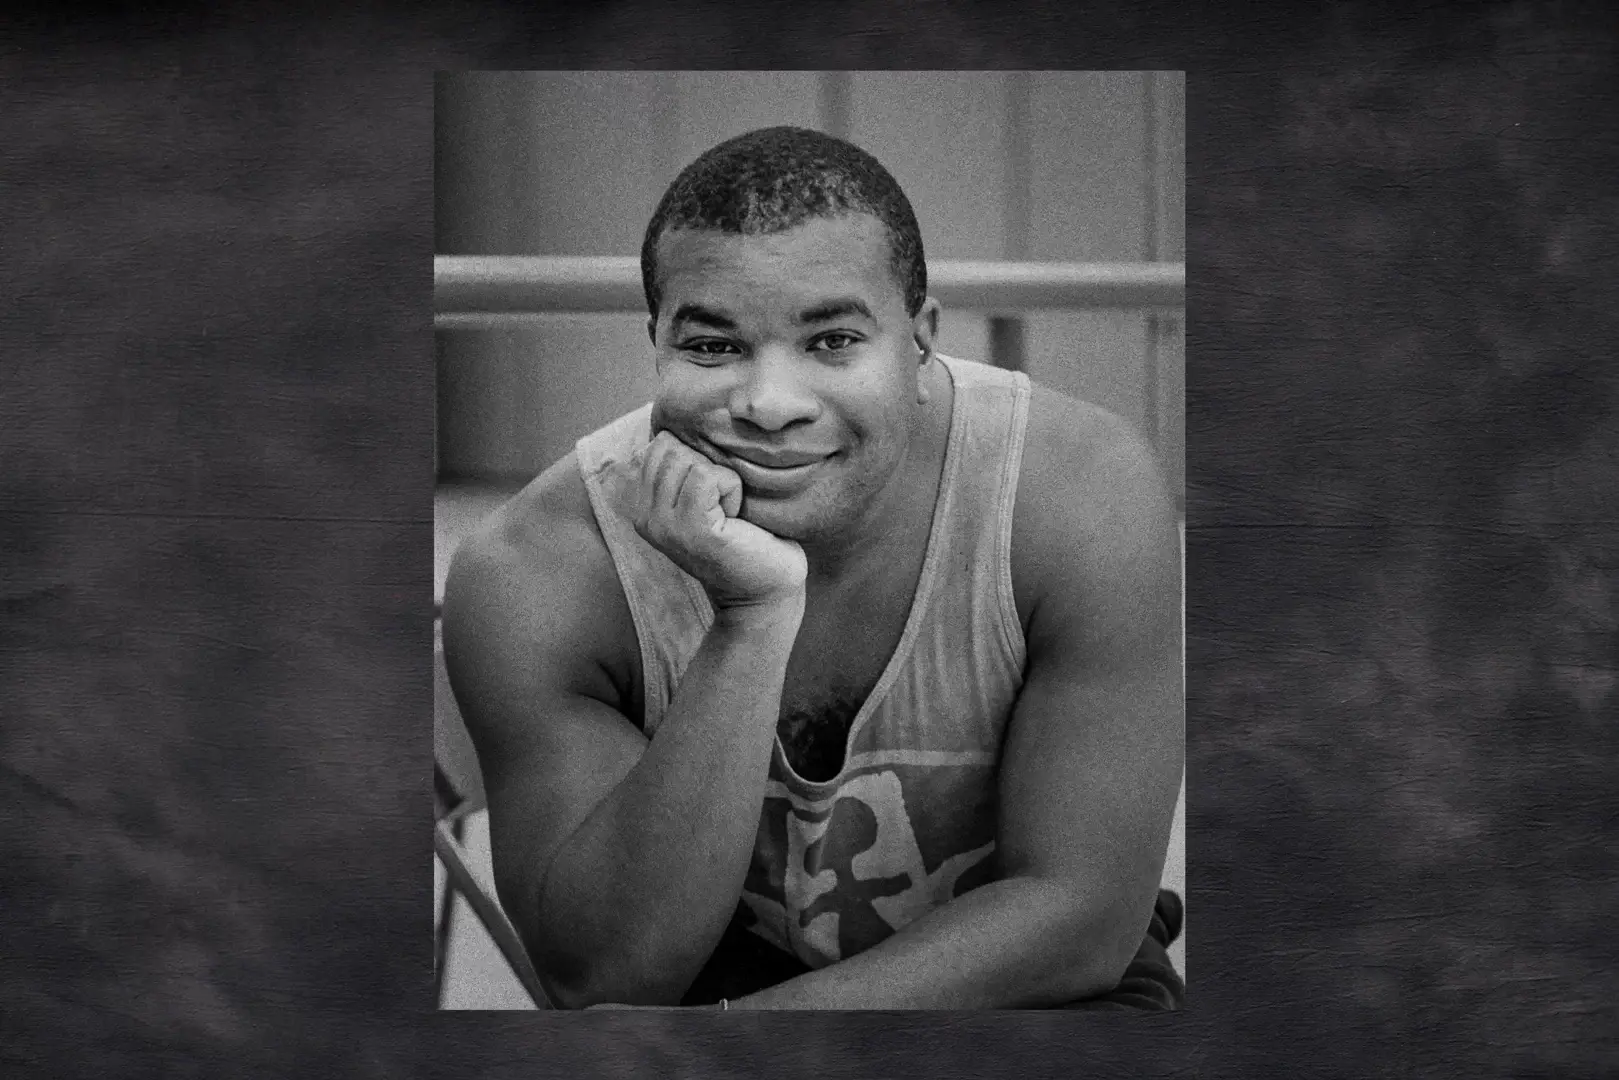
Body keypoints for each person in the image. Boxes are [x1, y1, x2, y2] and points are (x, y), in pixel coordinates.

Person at [440, 126, 1184, 1010]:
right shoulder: (540, 570)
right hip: (712, 974)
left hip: (1016, 980)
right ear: (656, 345)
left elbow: (1080, 918)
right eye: (713, 346)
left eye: (832, 340)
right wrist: (749, 618)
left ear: (919, 344)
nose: (769, 404)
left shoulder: (1079, 495)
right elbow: (607, 975)